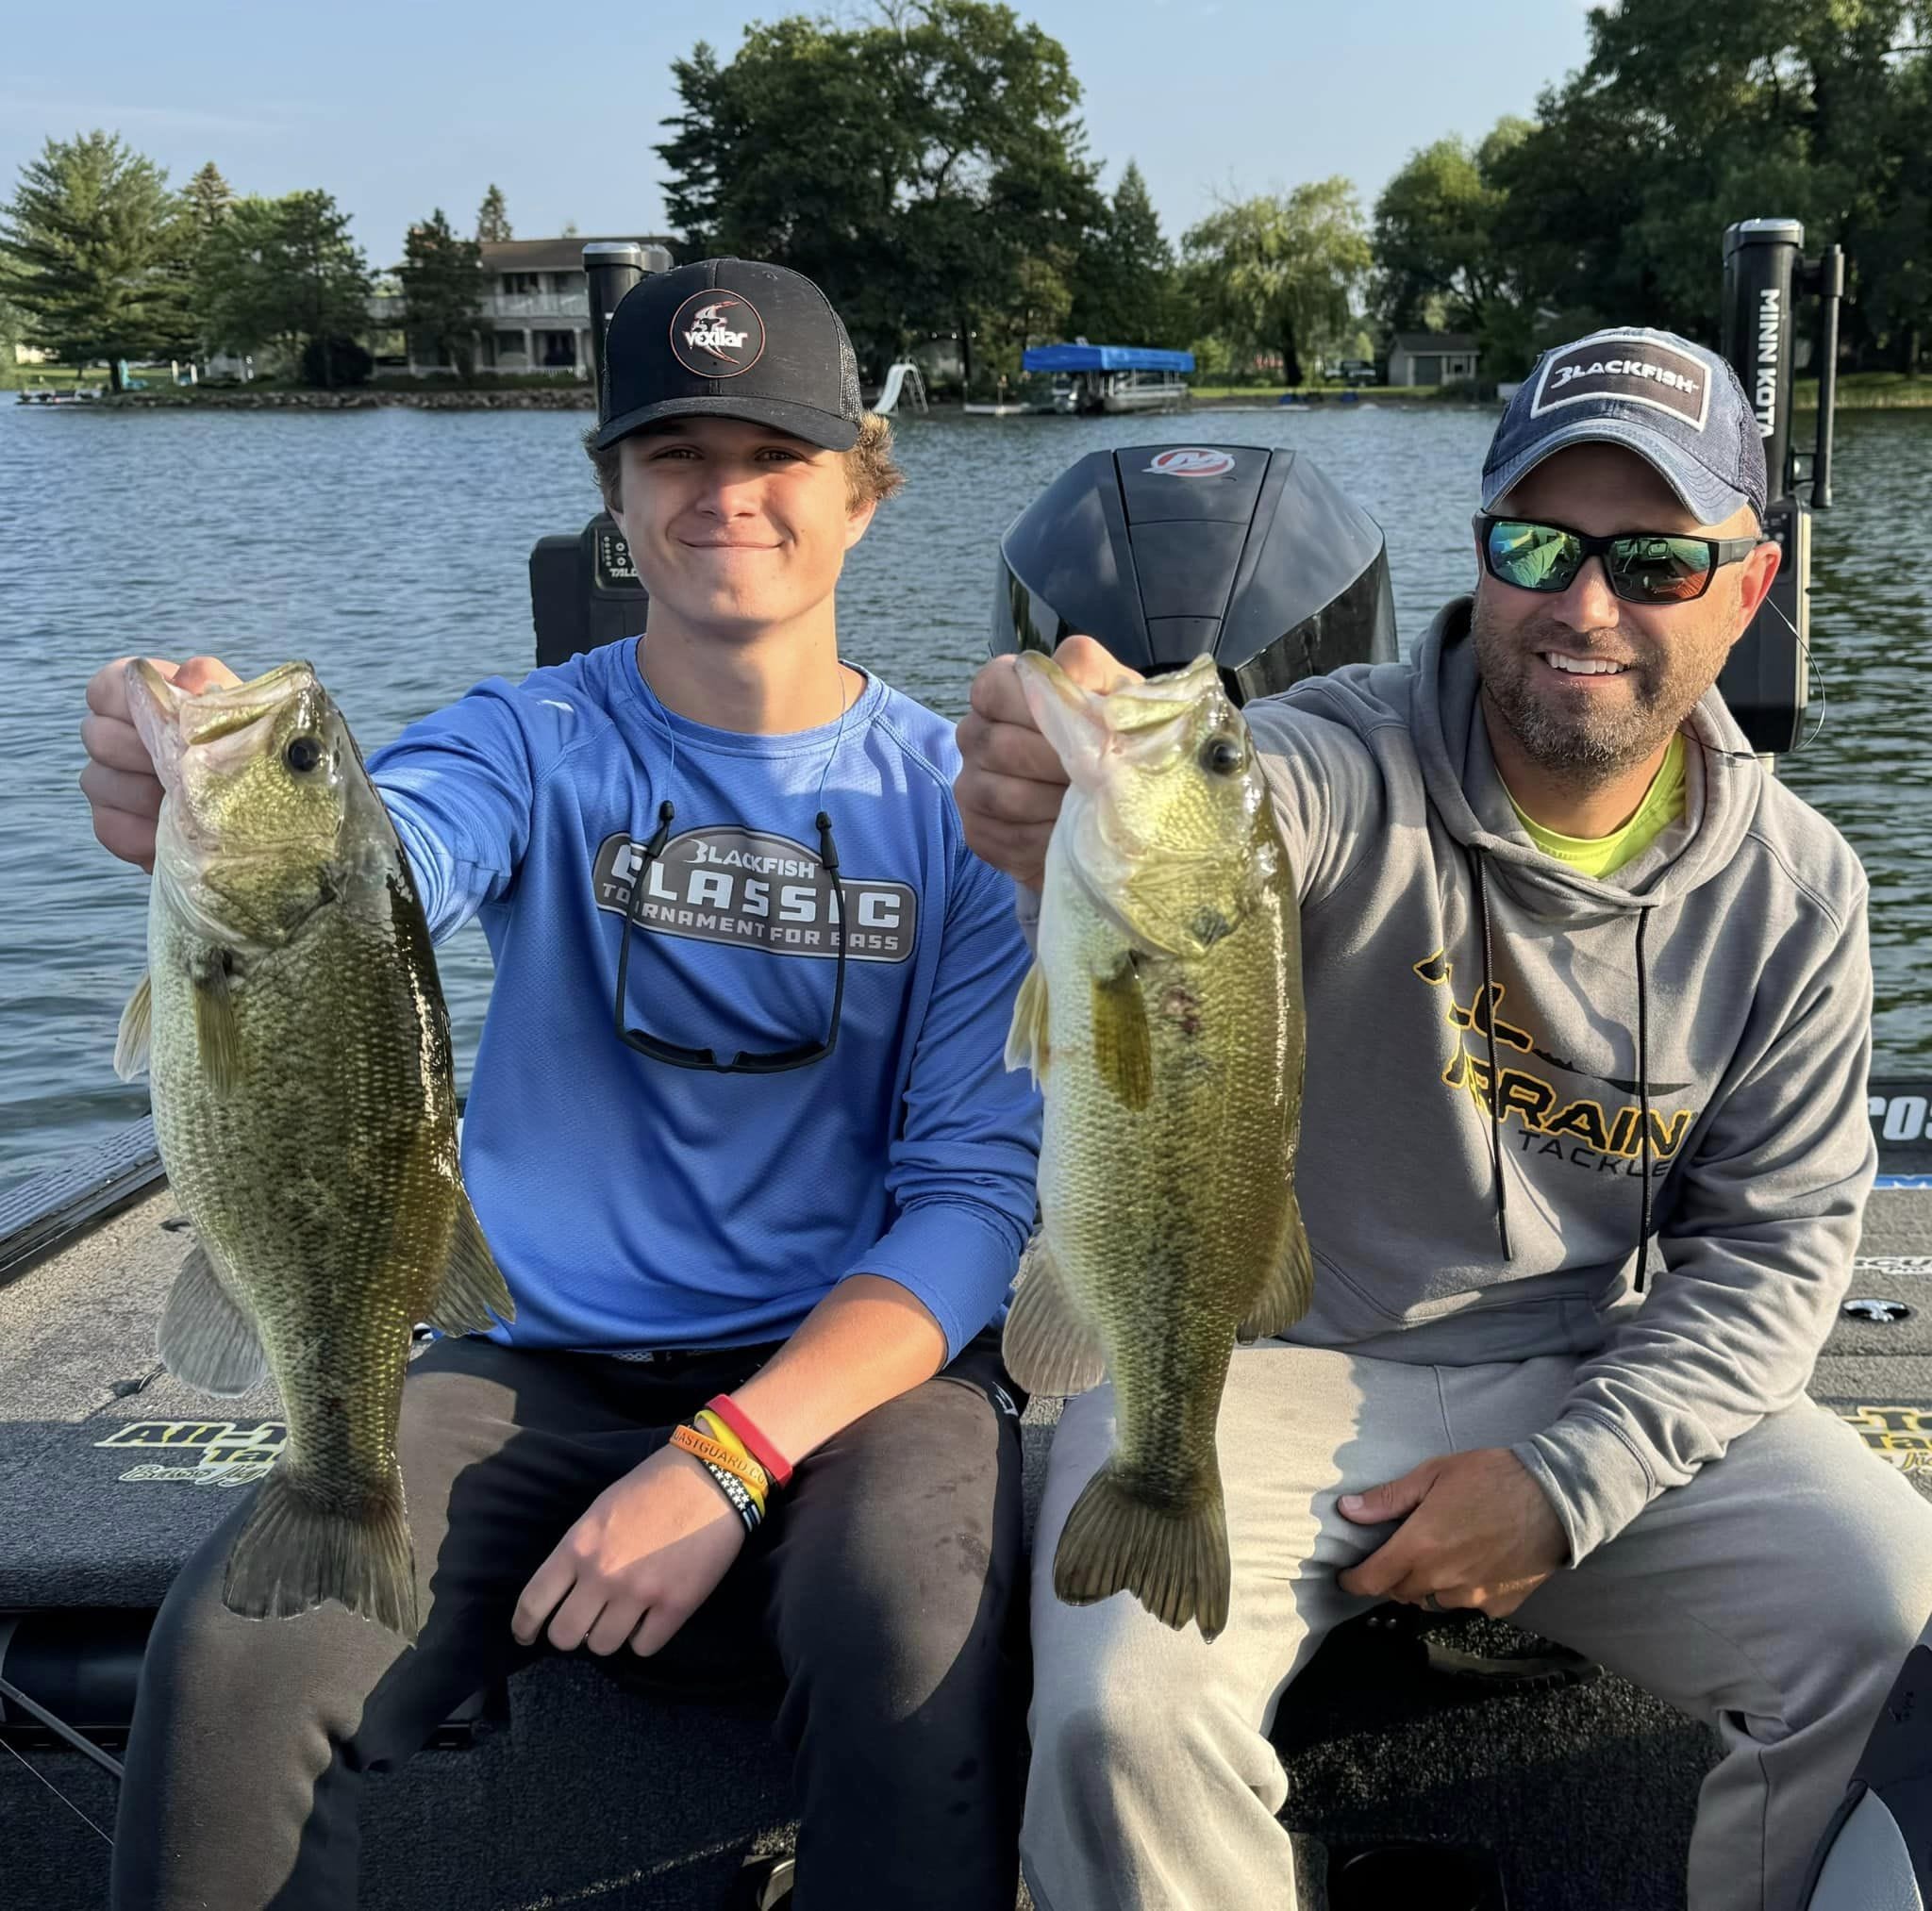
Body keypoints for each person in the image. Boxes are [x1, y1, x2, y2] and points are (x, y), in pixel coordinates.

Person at [79, 258, 1041, 1911]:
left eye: (775, 455)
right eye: (675, 455)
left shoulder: (965, 816)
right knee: (239, 1654)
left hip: (847, 1377)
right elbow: (395, 852)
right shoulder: (523, 739)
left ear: (864, 493)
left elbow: (969, 1201)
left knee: (916, 1620)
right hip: (525, 1356)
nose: (723, 495)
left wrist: (728, 1458)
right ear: (615, 494)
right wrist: (195, 797)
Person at [954, 326, 1932, 1911]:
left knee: (1892, 1614)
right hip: (1254, 1352)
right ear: (1480, 554)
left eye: (1658, 559)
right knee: (1119, 1720)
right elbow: (1255, 794)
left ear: (1750, 590)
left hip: (1585, 1362)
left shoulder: (1799, 890)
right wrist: (1059, 764)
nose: (1586, 604)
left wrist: (1566, 1476)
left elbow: (1774, 1261)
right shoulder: (1340, 755)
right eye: (1536, 544)